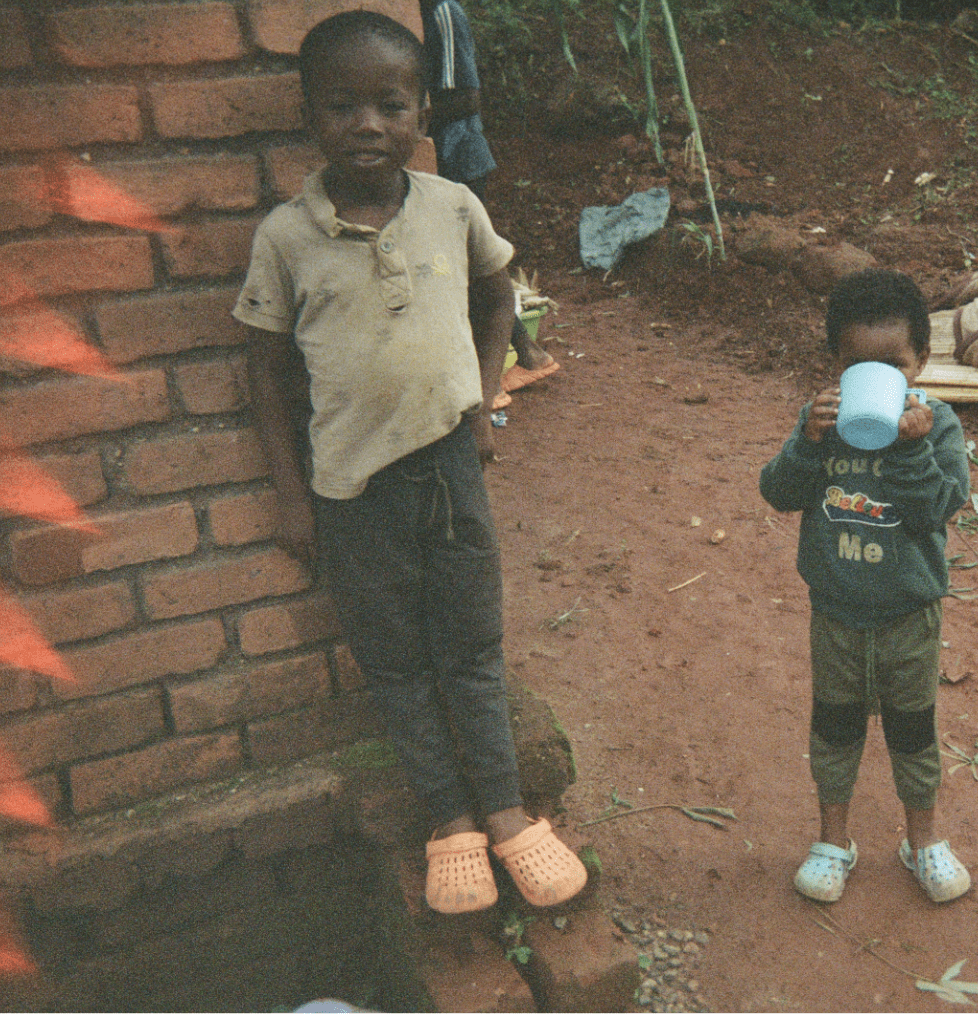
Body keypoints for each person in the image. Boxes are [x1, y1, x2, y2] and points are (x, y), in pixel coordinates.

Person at [236, 10, 585, 915]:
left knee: (472, 647)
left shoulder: (453, 207)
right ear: (310, 115)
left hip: (450, 473)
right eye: (342, 105)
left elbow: (497, 295)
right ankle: (448, 822)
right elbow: (266, 377)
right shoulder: (286, 236)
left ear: (422, 111)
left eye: (390, 104)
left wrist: (485, 394)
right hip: (351, 492)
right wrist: (288, 498)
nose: (367, 124)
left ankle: (507, 816)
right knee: (393, 662)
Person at [759, 269, 974, 904]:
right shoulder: (817, 425)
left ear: (922, 363)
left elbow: (940, 507)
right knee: (835, 730)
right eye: (858, 364)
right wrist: (808, 439)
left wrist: (908, 451)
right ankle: (834, 841)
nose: (876, 376)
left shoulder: (937, 427)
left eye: (893, 364)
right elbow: (777, 491)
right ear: (836, 365)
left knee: (913, 731)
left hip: (910, 614)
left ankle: (922, 841)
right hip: (837, 613)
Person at [418, 0, 558, 402]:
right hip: (440, 156)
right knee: (468, 265)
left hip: (457, 155)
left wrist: (408, 116)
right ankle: (526, 354)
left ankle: (500, 373)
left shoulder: (440, 10)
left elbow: (465, 98)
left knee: (473, 266)